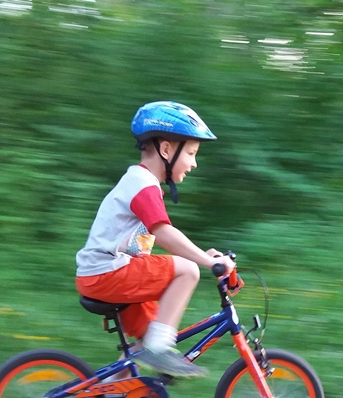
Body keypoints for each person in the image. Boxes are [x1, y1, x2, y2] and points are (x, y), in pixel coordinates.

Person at [75, 101, 235, 378]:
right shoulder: (142, 184)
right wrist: (205, 262)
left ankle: (106, 394)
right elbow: (164, 233)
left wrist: (203, 254)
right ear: (166, 150)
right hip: (108, 273)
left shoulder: (141, 183)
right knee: (188, 272)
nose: (194, 163)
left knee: (144, 342)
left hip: (108, 274)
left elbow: (163, 238)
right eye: (191, 153)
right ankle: (160, 350)